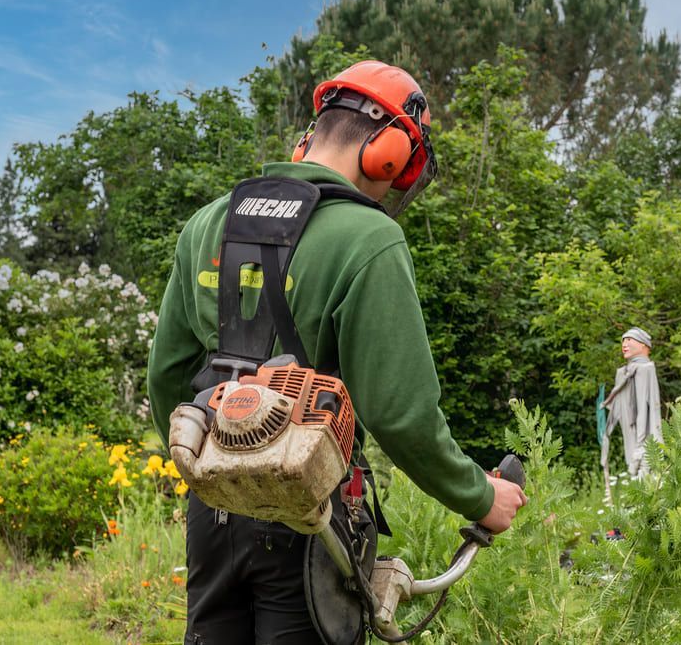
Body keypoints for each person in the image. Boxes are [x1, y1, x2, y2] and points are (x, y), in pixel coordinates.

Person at [147, 60, 527, 644]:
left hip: (212, 517)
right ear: (390, 153)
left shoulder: (208, 223)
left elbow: (168, 379)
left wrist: (213, 465)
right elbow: (402, 414)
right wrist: (481, 494)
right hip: (310, 517)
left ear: (310, 137)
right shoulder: (368, 237)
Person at [601, 327, 663, 483]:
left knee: (648, 478)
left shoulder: (646, 369)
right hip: (630, 435)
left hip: (645, 441)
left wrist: (641, 446)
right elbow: (618, 408)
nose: (624, 344)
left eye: (629, 339)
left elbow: (646, 410)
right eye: (623, 340)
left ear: (644, 346)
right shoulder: (623, 372)